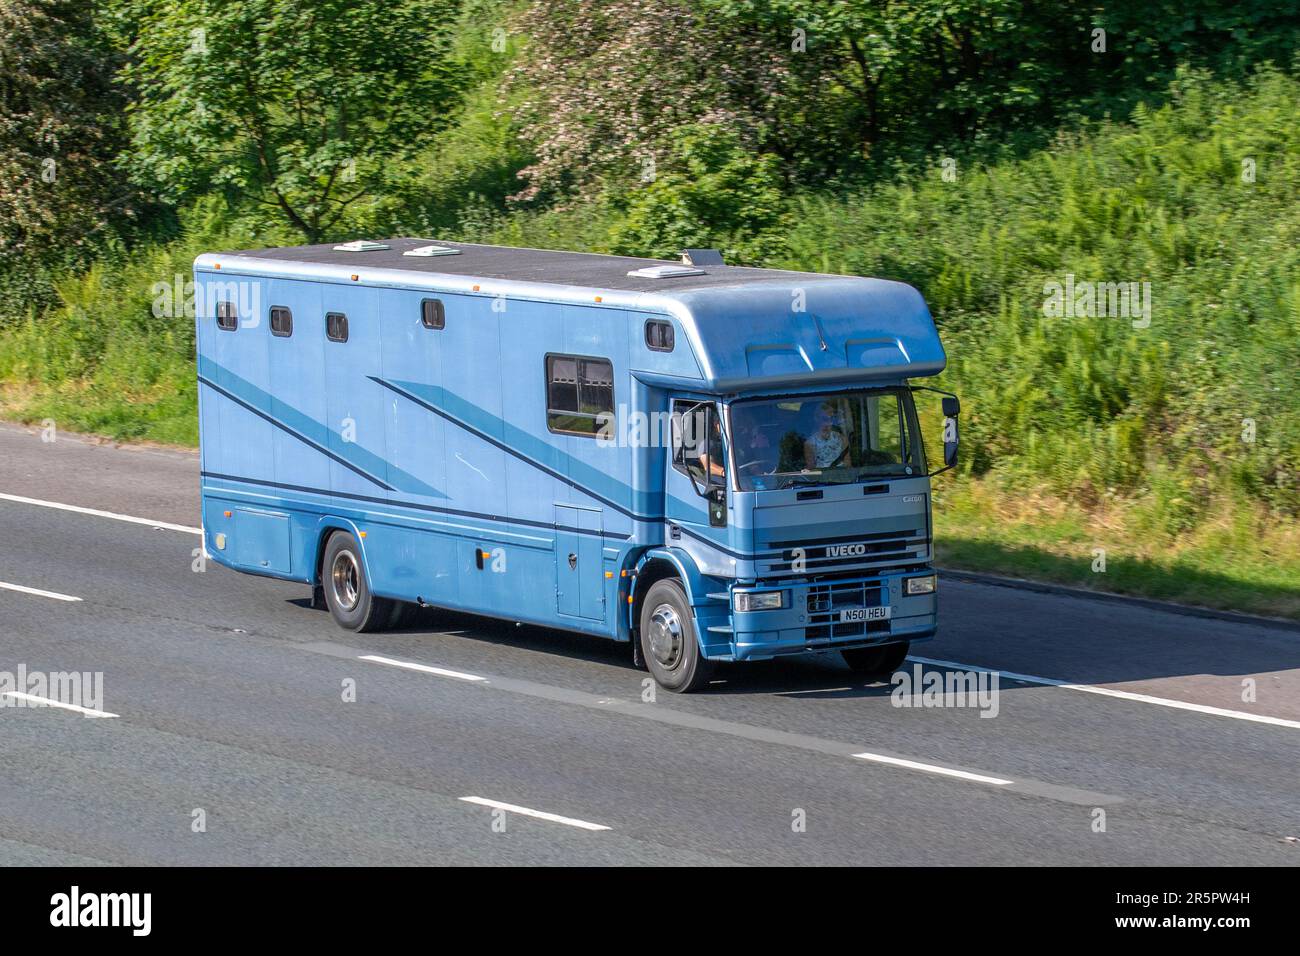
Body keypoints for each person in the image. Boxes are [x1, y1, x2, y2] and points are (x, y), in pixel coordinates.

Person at [804, 403, 849, 469]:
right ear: (816, 419)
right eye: (824, 419)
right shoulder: (810, 443)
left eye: (831, 419)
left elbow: (848, 466)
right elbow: (811, 469)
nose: (827, 423)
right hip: (820, 478)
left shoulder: (842, 439)